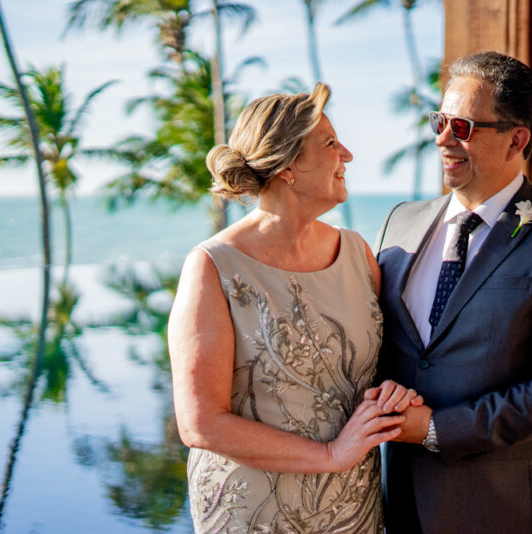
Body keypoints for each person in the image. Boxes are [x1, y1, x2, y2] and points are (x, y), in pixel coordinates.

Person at [374, 51, 532, 533]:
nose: (442, 138)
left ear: (516, 139)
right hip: (399, 502)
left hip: (505, 508)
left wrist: (438, 429)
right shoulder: (401, 221)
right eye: (440, 120)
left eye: (462, 127)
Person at [168, 83, 422, 533]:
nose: (346, 154)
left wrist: (392, 394)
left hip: (353, 508)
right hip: (253, 514)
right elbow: (201, 423)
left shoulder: (356, 253)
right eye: (329, 143)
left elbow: (376, 369)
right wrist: (329, 455)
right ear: (286, 167)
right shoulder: (212, 267)